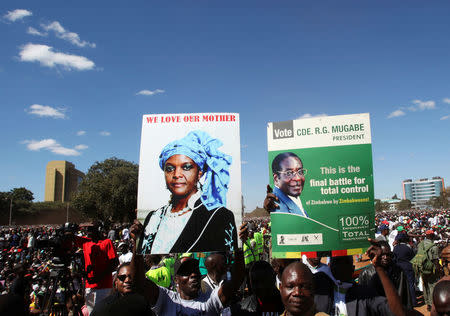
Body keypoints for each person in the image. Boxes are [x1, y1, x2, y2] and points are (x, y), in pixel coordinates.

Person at [138, 130, 237, 254]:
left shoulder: (219, 216)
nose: (177, 174)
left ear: (199, 173)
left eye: (186, 167)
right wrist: (134, 240)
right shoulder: (153, 217)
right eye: (170, 169)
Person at [73, 223, 118, 314]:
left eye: (91, 229)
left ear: (98, 229)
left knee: (101, 312)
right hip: (89, 286)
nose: (88, 231)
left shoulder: (107, 242)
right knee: (91, 313)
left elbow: (115, 263)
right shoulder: (86, 243)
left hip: (103, 286)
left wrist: (99, 276)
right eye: (87, 229)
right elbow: (71, 237)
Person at [359, 241, 414, 309]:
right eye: (382, 255)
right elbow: (362, 299)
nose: (385, 257)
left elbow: (406, 296)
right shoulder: (366, 273)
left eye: (388, 255)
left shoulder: (398, 271)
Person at [264, 152, 308, 217]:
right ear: (276, 179)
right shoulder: (278, 206)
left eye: (300, 171)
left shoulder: (294, 200)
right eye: (289, 173)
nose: (298, 178)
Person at [416, 230, 441, 311]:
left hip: (422, 268)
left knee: (425, 285)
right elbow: (435, 260)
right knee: (432, 285)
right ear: (431, 235)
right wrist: (438, 270)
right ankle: (432, 303)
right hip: (431, 268)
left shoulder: (420, 244)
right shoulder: (434, 247)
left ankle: (427, 303)